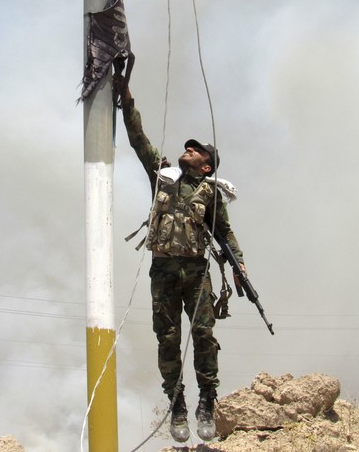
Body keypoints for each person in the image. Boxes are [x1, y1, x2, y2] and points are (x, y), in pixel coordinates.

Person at [115, 74, 245, 443]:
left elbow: (225, 233)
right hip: (164, 271)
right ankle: (177, 405)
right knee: (167, 339)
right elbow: (138, 140)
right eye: (188, 147)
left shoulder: (211, 192)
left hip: (196, 270)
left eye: (197, 149)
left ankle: (207, 399)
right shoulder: (163, 176)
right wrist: (127, 99)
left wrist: (240, 266)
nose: (188, 149)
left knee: (203, 334)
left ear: (207, 165)